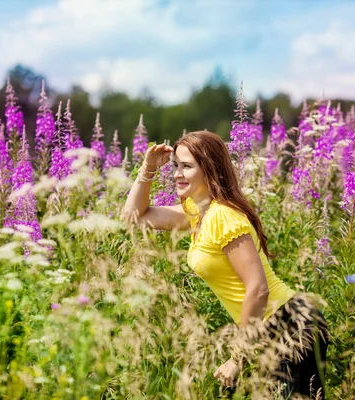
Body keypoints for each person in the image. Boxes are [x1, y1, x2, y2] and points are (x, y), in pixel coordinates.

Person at [121, 130, 328, 398]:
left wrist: (238, 358)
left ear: (209, 169)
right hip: (266, 329)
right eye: (176, 166)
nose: (177, 174)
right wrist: (148, 168)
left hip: (290, 325)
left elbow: (258, 289)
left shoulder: (223, 217)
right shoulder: (199, 213)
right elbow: (134, 217)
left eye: (187, 166)